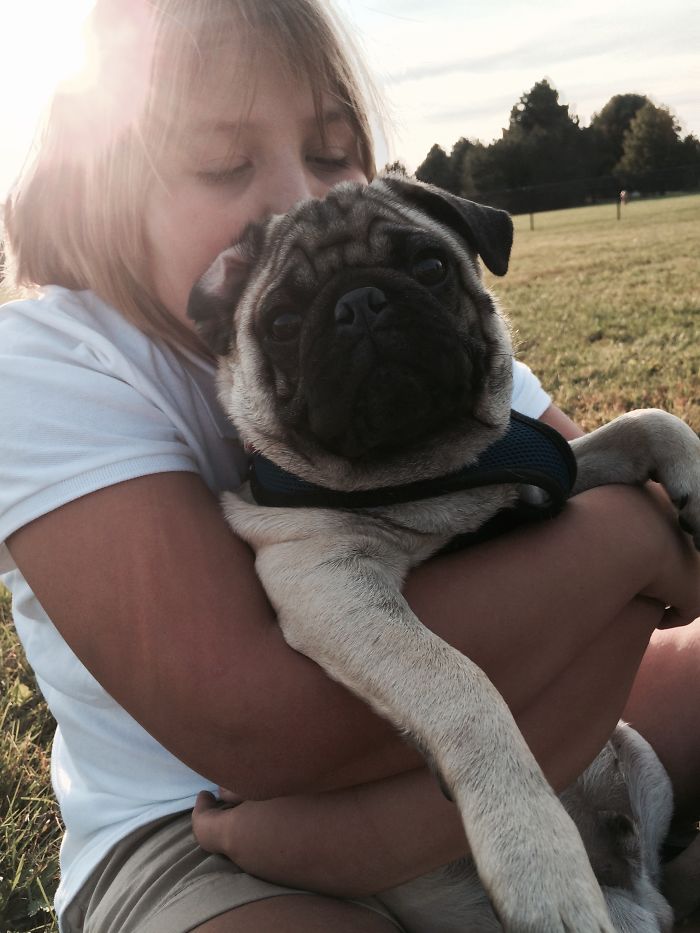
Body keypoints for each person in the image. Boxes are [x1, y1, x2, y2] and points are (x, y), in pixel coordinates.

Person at [1, 1, 698, 931]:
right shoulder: (49, 366)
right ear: (99, 187)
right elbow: (261, 727)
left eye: (333, 153)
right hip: (205, 831)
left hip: (549, 734)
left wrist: (639, 527)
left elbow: (642, 549)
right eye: (224, 164)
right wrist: (634, 543)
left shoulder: (432, 325)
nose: (295, 195)